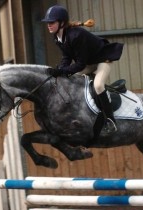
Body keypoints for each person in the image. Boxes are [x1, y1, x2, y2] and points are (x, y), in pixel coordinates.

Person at [42, 5, 124, 135]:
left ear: (62, 22)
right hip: (89, 62)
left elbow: (80, 64)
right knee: (67, 79)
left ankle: (110, 120)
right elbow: (67, 57)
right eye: (47, 23)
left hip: (102, 60)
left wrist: (62, 71)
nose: (48, 25)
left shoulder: (76, 35)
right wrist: (59, 70)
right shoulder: (57, 37)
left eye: (51, 22)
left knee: (98, 85)